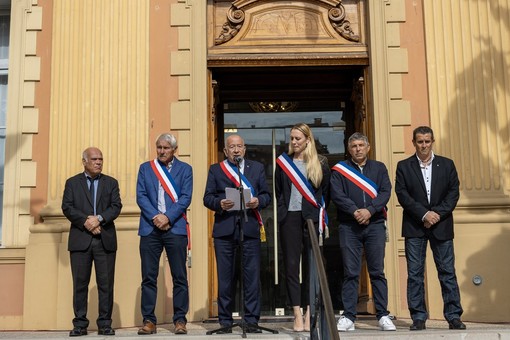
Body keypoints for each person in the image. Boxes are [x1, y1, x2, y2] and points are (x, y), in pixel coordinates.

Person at [395, 126, 465, 331]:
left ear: (432, 141)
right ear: (414, 142)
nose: (424, 145)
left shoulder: (447, 164)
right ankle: (418, 317)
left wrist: (436, 214)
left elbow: (453, 193)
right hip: (414, 226)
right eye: (420, 141)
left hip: (441, 225)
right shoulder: (404, 166)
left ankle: (453, 316)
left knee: (447, 272)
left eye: (427, 141)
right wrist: (424, 214)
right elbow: (402, 194)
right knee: (415, 273)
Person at [203, 134, 271, 334]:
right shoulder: (216, 170)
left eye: (239, 146)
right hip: (224, 231)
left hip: (249, 230)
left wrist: (258, 201)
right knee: (225, 278)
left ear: (245, 149)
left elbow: (267, 195)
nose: (235, 150)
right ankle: (225, 321)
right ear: (225, 151)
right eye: (231, 147)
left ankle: (251, 320)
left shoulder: (256, 168)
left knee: (251, 277)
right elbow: (207, 197)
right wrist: (219, 204)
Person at [330, 132, 396, 332]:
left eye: (361, 145)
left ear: (368, 148)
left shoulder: (379, 168)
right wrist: (354, 211)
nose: (358, 149)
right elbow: (337, 195)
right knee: (351, 272)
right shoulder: (340, 171)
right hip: (349, 226)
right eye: (354, 146)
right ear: (349, 149)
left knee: (377, 271)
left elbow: (386, 191)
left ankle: (383, 314)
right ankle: (349, 316)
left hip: (375, 224)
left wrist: (370, 210)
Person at [274, 123, 330, 332]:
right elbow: (279, 191)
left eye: (298, 138)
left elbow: (326, 193)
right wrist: (282, 214)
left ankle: (309, 312)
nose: (294, 142)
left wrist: (318, 215)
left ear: (308, 139)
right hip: (290, 218)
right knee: (290, 266)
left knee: (311, 267)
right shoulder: (283, 163)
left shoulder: (320, 163)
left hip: (311, 219)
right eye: (292, 138)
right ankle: (296, 313)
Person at [62, 147, 122, 337]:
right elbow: (67, 207)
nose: (98, 162)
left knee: (106, 284)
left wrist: (100, 219)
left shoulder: (111, 182)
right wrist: (87, 222)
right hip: (81, 240)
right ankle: (80, 324)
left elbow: (116, 206)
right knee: (80, 284)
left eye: (101, 159)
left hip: (104, 240)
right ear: (84, 161)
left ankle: (105, 324)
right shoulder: (72, 183)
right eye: (94, 159)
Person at [136, 133, 192, 335]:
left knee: (179, 277)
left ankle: (180, 320)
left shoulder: (185, 169)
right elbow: (141, 197)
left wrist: (167, 217)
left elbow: (186, 198)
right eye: (159, 147)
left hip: (174, 227)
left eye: (166, 148)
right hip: (150, 228)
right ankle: (149, 320)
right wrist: (156, 217)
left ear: (174, 150)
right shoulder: (145, 168)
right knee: (149, 277)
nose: (161, 151)